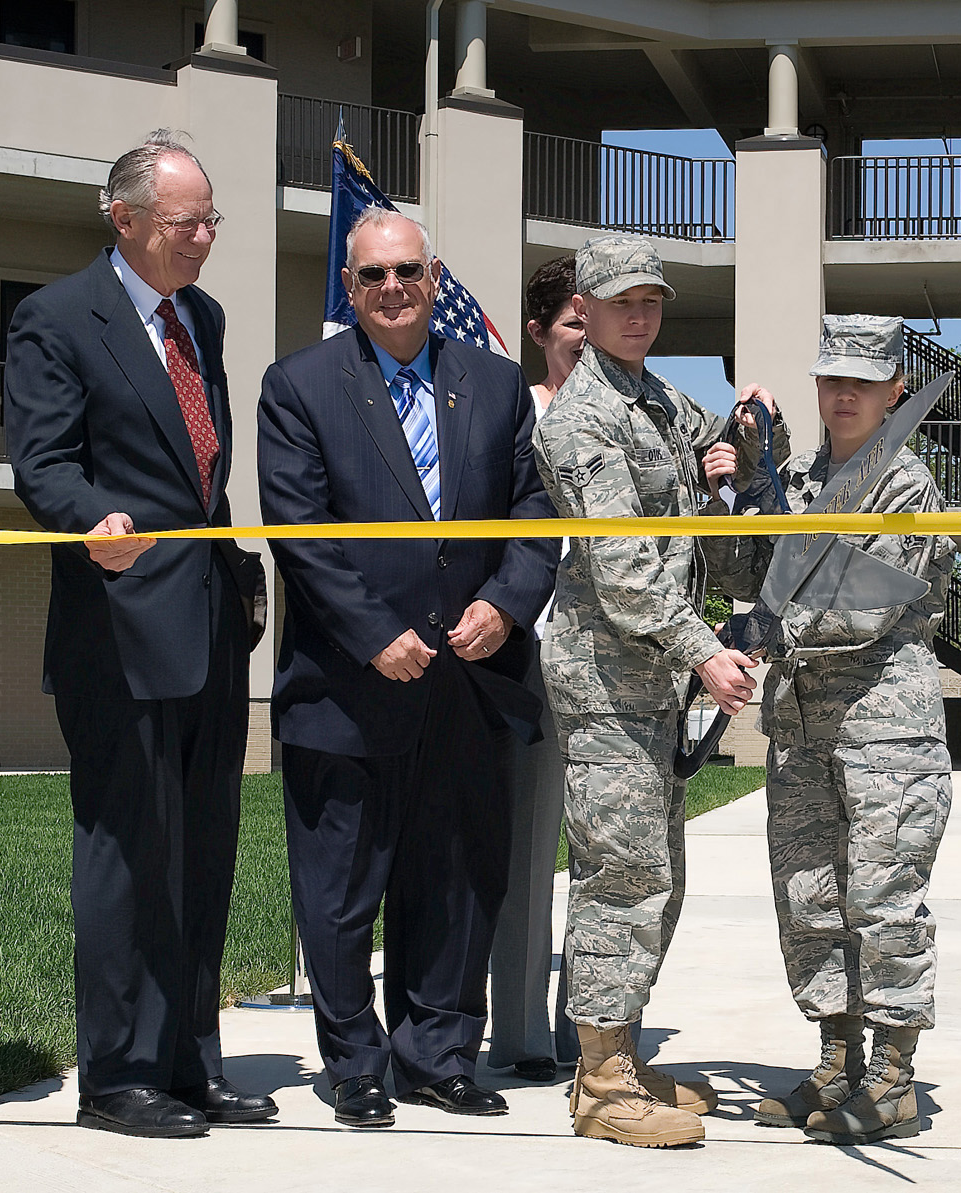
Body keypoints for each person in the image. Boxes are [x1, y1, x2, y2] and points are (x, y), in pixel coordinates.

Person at [258, 207, 557, 1127]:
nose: (391, 289)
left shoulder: (498, 386)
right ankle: (354, 1061)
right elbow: (298, 534)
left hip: (471, 680)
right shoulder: (299, 385)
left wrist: (504, 606)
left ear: (436, 278)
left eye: (407, 272)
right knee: (342, 888)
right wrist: (372, 632)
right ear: (348, 288)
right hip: (349, 687)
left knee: (458, 879)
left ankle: (437, 1051)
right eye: (371, 276)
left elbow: (536, 512)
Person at [2, 130, 273, 1139]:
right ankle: (118, 1078)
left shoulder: (202, 316)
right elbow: (42, 460)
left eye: (211, 219)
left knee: (203, 854)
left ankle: (189, 1063)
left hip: (207, 624)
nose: (204, 236)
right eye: (186, 220)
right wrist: (90, 526)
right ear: (123, 220)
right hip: (116, 627)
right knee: (128, 854)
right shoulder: (57, 317)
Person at [532, 232, 786, 1148]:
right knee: (619, 874)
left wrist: (743, 453)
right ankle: (599, 1084)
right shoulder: (580, 416)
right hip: (608, 677)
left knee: (657, 876)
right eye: (621, 301)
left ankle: (622, 1054)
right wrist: (701, 651)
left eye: (652, 301)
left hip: (653, 680)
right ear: (586, 311)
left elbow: (708, 482)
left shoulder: (661, 401)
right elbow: (622, 564)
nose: (640, 315)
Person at [725, 315, 955, 1146]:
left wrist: (760, 630)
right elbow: (745, 573)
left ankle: (894, 1076)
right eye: (832, 378)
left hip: (883, 731)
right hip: (799, 727)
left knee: (884, 897)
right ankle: (836, 1058)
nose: (845, 393)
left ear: (897, 388)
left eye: (863, 379)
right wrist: (746, 486)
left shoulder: (907, 484)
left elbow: (866, 603)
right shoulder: (794, 475)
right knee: (810, 895)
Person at [487, 256, 587, 1084]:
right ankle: (520, 1034)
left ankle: (594, 1036)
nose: (588, 338)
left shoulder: (651, 418)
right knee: (528, 851)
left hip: (627, 667)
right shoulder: (515, 413)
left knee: (616, 859)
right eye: (574, 323)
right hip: (538, 659)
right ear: (540, 332)